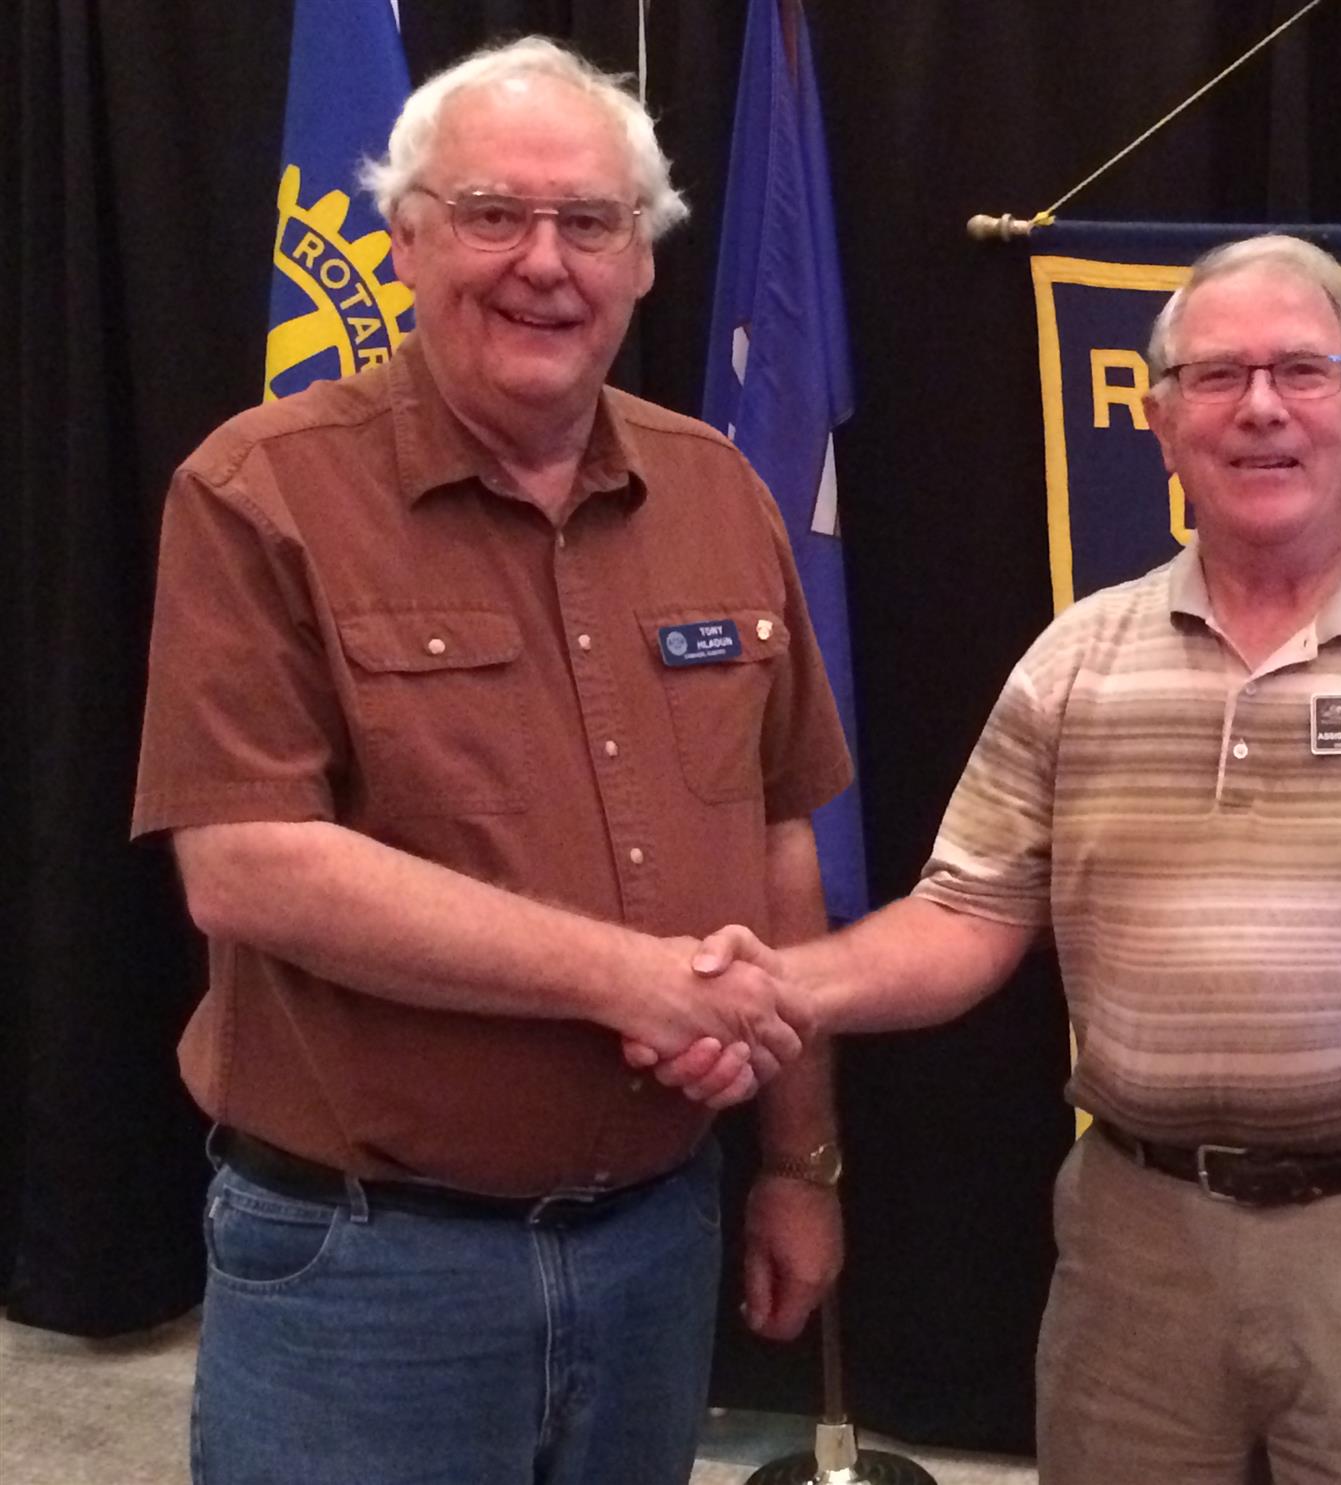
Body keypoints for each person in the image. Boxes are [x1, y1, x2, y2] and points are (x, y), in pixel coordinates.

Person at [680, 235, 1341, 1485]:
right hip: (1137, 1250)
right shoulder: (1076, 662)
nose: (1260, 407)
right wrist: (785, 987)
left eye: (1302, 370)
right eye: (1216, 376)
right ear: (1160, 424)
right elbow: (963, 920)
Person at [131, 36, 850, 1485]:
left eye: (589, 221)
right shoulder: (259, 492)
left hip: (657, 1240)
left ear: (641, 260)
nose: (544, 261)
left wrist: (799, 1161)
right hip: (369, 1270)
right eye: (492, 214)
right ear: (404, 239)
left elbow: (780, 836)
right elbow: (250, 867)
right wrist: (626, 977)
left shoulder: (720, 493)